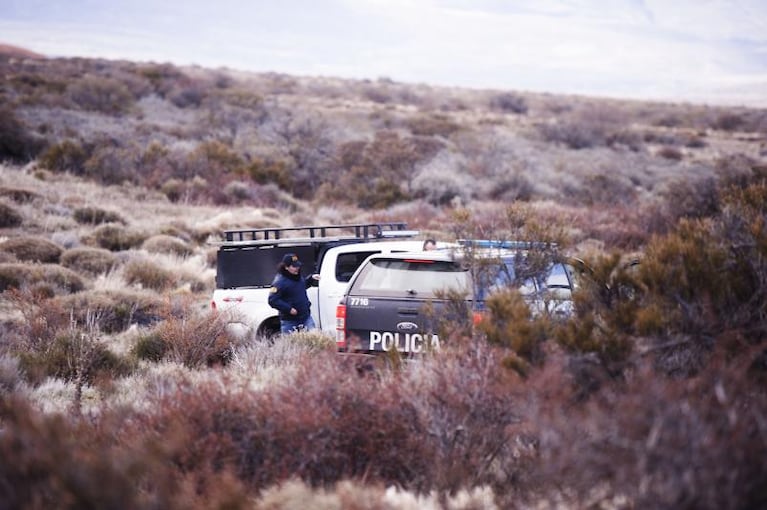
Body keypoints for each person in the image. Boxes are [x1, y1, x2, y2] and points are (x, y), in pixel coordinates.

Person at [268, 253, 320, 334]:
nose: (297, 268)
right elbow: (272, 300)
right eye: (294, 266)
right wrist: (289, 309)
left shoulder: (297, 276)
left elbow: (301, 286)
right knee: (290, 344)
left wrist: (311, 279)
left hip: (306, 317)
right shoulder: (279, 282)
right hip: (290, 321)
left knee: (314, 340)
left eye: (297, 266)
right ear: (286, 267)